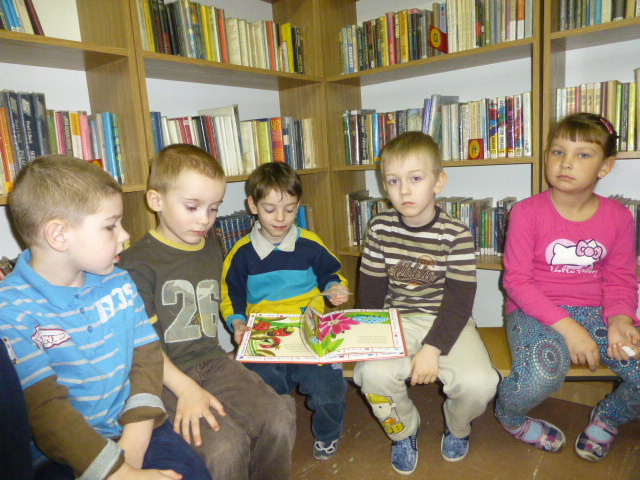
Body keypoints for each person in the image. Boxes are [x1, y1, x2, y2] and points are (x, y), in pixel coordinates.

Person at [0, 155, 211, 480]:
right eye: (111, 225)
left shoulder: (119, 281)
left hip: (135, 424)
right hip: (63, 453)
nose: (125, 234)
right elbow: (47, 412)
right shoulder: (11, 309)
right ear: (59, 235)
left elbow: (146, 357)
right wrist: (118, 472)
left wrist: (136, 438)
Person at [118, 144, 296, 480]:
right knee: (224, 447)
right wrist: (186, 388)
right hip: (162, 375)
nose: (205, 219)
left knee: (279, 416)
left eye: (213, 208)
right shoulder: (136, 264)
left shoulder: (212, 248)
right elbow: (144, 349)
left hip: (213, 361)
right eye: (192, 206)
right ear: (156, 200)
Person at [495, 112, 640, 461]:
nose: (566, 163)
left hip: (599, 312)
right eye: (558, 152)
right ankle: (509, 415)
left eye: (583, 155)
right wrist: (571, 329)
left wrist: (621, 319)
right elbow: (517, 281)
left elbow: (621, 277)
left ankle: (608, 416)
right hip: (535, 310)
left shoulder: (619, 216)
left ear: (605, 167)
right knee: (540, 377)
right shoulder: (526, 212)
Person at [354, 131, 499, 475]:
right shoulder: (380, 227)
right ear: (385, 186)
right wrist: (365, 336)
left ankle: (458, 427)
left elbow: (460, 301)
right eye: (393, 181)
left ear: (438, 182)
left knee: (481, 382)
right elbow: (371, 289)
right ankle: (404, 429)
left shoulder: (457, 234)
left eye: (415, 179)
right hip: (396, 318)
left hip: (448, 319)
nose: (404, 190)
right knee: (371, 374)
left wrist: (432, 349)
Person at [221, 162, 350, 461]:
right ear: (253, 205)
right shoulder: (241, 253)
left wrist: (334, 288)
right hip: (265, 332)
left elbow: (331, 274)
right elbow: (231, 294)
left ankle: (328, 433)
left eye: (290, 209)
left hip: (309, 328)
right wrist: (237, 322)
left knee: (329, 386)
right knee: (263, 390)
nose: (280, 218)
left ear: (298, 206)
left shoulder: (310, 244)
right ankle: (274, 436)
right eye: (270, 209)